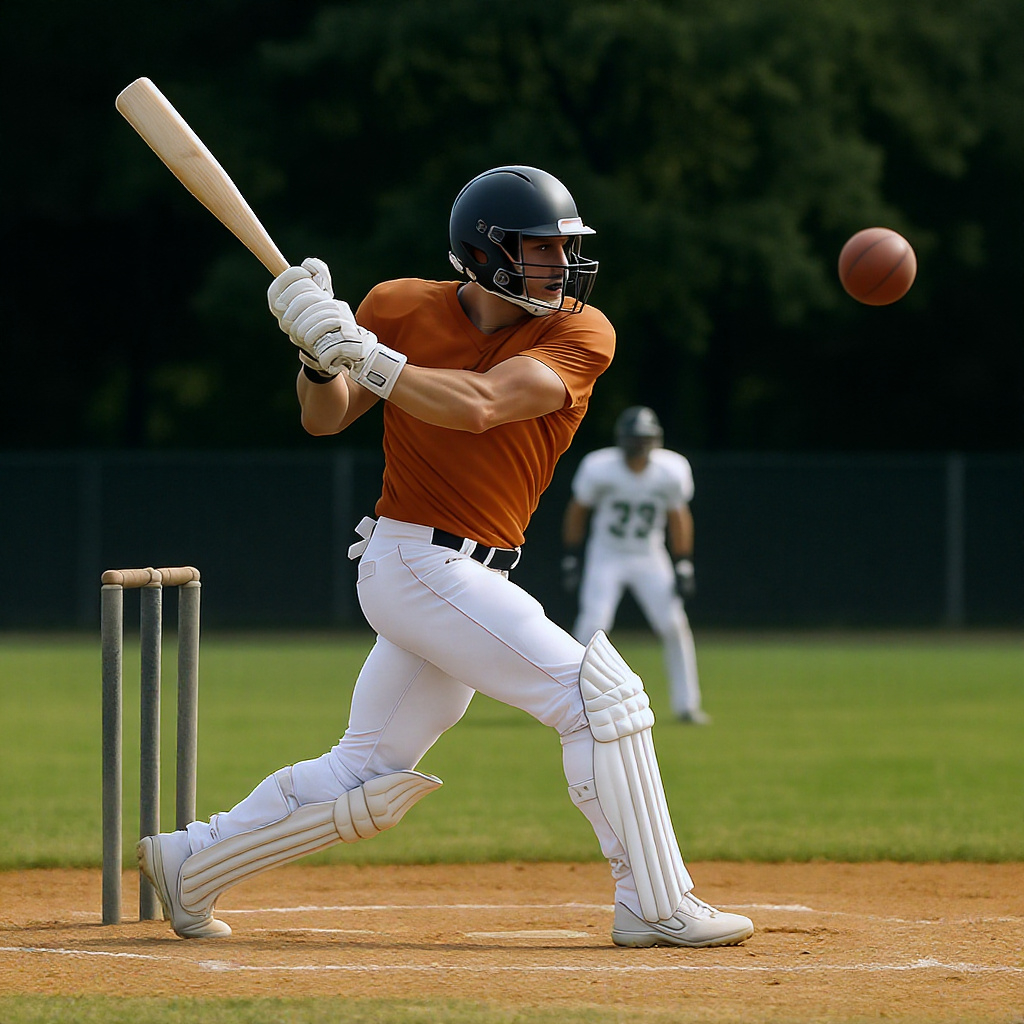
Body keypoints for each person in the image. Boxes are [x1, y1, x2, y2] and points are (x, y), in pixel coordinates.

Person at [137, 165, 753, 949]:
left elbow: (483, 404)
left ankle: (191, 861)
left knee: (365, 770)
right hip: (415, 562)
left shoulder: (578, 332)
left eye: (565, 250)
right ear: (484, 251)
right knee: (602, 699)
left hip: (469, 572)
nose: (560, 267)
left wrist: (365, 353)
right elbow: (324, 419)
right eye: (539, 249)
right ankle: (654, 901)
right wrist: (320, 360)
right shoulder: (397, 305)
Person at [561, 406, 709, 724]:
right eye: (633, 438)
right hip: (607, 553)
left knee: (673, 625)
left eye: (644, 439)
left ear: (655, 440)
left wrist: (683, 563)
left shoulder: (670, 469)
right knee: (593, 624)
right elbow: (578, 510)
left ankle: (687, 705)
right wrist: (572, 555)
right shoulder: (601, 467)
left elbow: (678, 516)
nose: (638, 445)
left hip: (649, 554)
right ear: (621, 440)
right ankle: (568, 700)